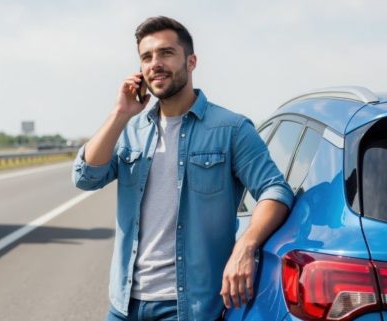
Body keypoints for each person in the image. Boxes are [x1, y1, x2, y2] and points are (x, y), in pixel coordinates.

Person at [72, 16, 294, 321]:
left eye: (166, 53)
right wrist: (119, 113)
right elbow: (86, 177)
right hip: (124, 305)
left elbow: (275, 189)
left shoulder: (231, 128)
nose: (155, 64)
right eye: (146, 57)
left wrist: (246, 244)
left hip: (189, 308)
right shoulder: (130, 129)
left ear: (191, 62)